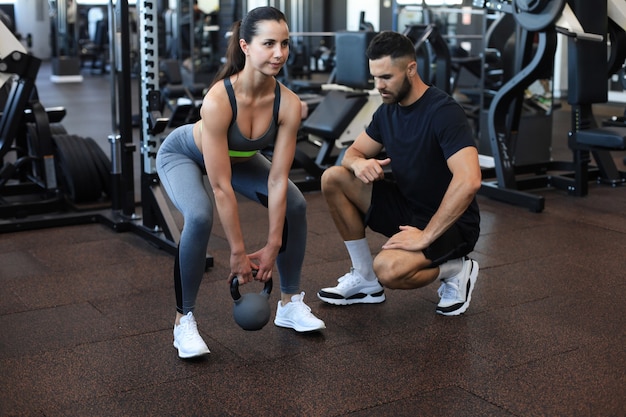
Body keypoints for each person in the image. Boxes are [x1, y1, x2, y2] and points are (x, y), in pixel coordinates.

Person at [156, 6, 325, 359]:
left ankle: (290, 303)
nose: (279, 53)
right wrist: (237, 251)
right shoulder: (219, 99)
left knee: (295, 203)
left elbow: (279, 178)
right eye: (268, 44)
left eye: (285, 44)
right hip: (184, 154)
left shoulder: (288, 104)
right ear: (245, 46)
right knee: (200, 216)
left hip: (242, 160)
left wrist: (272, 244)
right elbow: (221, 187)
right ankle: (182, 320)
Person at [317, 31, 481, 316]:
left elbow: (469, 180)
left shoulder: (443, 112)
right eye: (374, 78)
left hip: (453, 223)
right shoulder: (387, 112)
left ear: (411, 69)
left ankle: (456, 268)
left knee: (389, 271)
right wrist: (359, 164)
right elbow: (351, 154)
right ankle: (365, 279)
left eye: (386, 77)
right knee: (334, 177)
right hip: (409, 209)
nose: (379, 86)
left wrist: (426, 236)